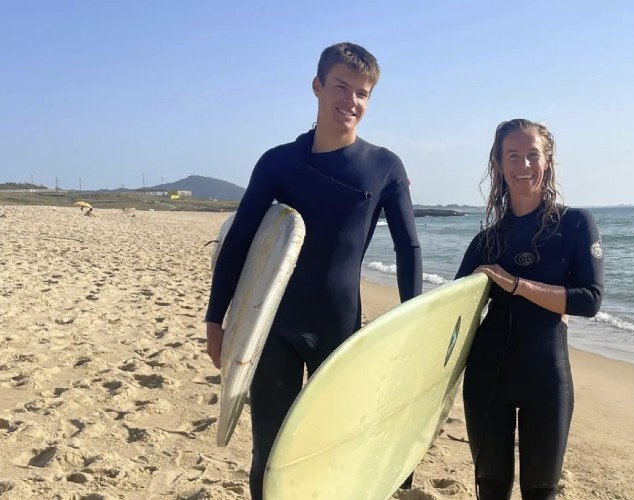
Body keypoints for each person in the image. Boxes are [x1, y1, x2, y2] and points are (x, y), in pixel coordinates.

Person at [204, 42, 423, 499]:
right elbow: (241, 240)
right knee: (270, 451)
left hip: (339, 331)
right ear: (317, 86)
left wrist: (415, 321)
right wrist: (215, 319)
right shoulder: (279, 162)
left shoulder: (384, 166)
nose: (352, 101)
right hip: (274, 326)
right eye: (342, 87)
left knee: (334, 448)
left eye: (362, 93)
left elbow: (408, 247)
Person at [454, 119, 604, 500]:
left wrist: (516, 285)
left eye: (532, 155)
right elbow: (452, 312)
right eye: (513, 156)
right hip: (486, 377)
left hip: (546, 377)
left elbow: (589, 299)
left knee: (541, 492)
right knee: (490, 490)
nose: (523, 166)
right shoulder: (486, 240)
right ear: (499, 166)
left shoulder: (574, 225)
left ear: (548, 160)